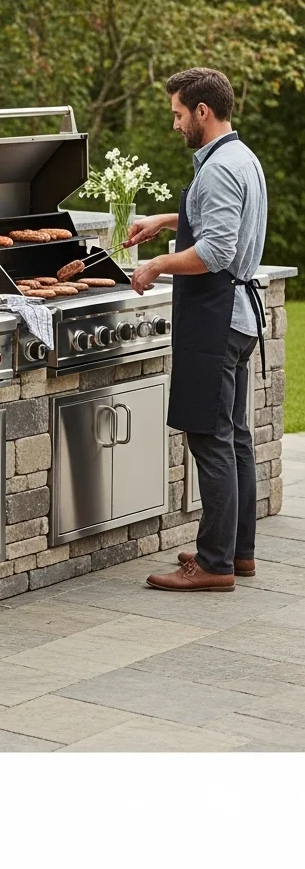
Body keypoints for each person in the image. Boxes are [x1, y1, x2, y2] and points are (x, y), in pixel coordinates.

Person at [127, 67, 267, 591]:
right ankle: (237, 552)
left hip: (217, 320)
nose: (175, 124)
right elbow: (214, 220)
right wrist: (165, 221)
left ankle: (213, 564)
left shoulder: (219, 168)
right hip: (237, 317)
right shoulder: (240, 157)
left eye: (178, 114)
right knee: (235, 438)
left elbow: (216, 251)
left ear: (202, 112)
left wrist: (156, 265)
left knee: (210, 439)